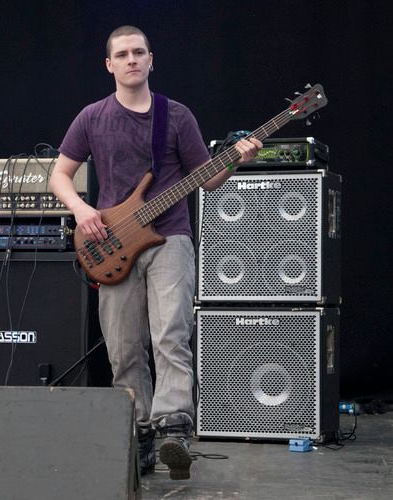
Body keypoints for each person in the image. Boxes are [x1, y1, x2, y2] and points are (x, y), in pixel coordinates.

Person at [49, 25, 262, 480]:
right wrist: (82, 210)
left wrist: (235, 159)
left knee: (171, 335)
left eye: (138, 52)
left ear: (151, 60)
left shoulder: (176, 116)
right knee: (124, 347)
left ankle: (174, 429)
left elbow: (206, 179)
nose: (131, 59)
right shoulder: (92, 117)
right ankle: (139, 432)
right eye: (122, 54)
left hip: (170, 238)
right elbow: (60, 174)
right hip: (112, 243)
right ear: (109, 64)